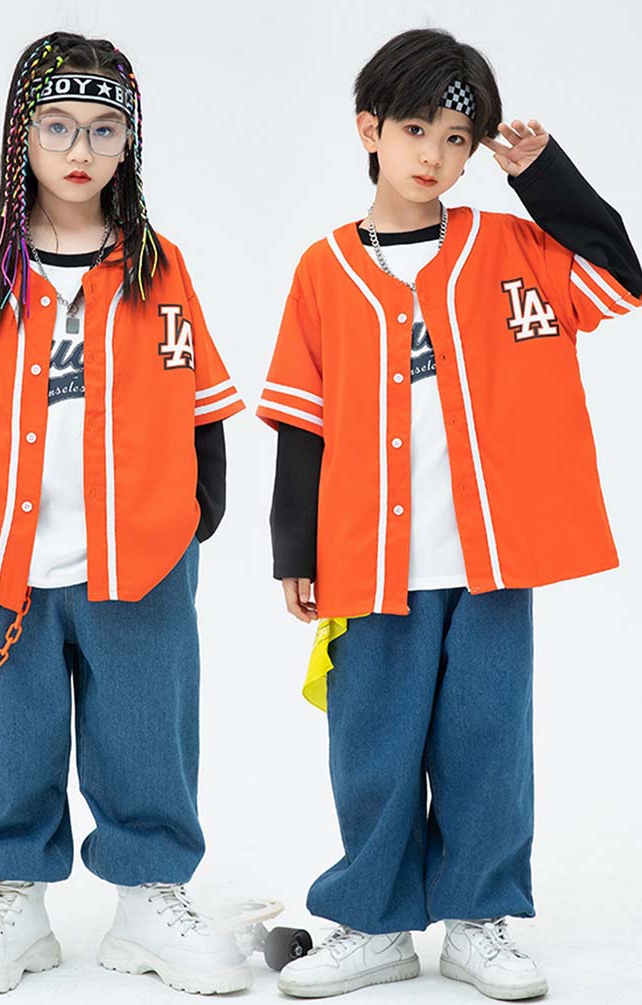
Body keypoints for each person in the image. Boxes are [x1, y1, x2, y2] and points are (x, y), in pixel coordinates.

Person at [256, 27, 642, 1002]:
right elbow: (301, 419)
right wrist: (295, 547)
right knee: (372, 750)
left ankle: (479, 921)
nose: (434, 154)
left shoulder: (514, 249)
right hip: (368, 560)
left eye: (457, 138)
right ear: (370, 130)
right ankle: (373, 925)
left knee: (487, 746)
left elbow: (622, 275)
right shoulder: (323, 270)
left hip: (492, 560)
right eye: (416, 128)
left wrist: (544, 176)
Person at [0, 30, 251, 997]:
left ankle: (149, 898)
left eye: (102, 128)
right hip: (8, 550)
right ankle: (11, 896)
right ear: (23, 135)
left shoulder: (157, 266)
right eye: (56, 126)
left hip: (141, 547)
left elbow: (201, 398)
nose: (79, 149)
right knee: (7, 725)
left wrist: (194, 512)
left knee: (147, 721)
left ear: (130, 142)